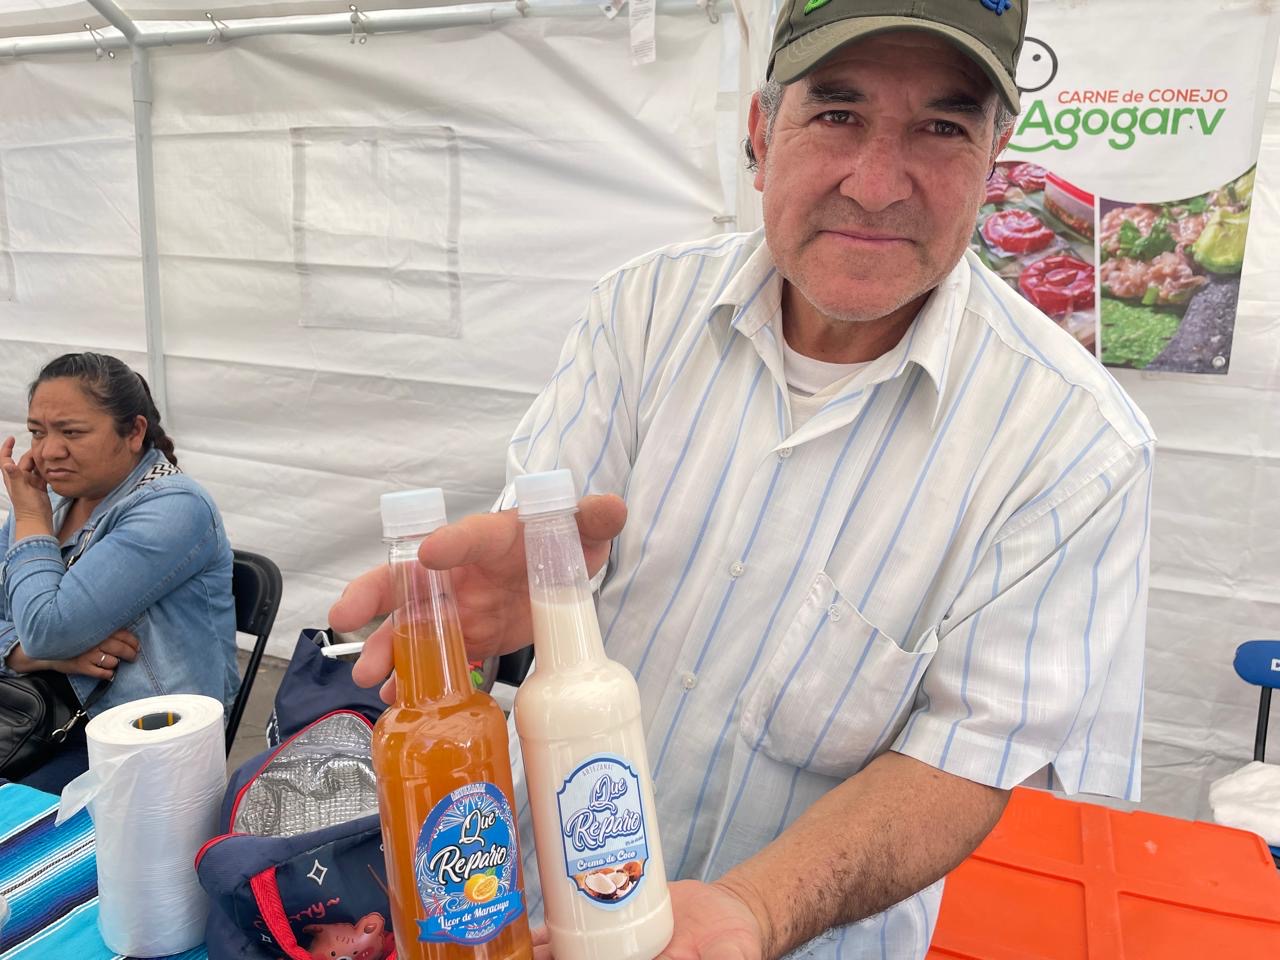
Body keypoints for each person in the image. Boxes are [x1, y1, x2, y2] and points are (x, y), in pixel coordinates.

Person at [332, 1, 1153, 956]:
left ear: (995, 154)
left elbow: (969, 755)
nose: (876, 185)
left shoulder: (1076, 446)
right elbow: (541, 548)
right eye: (837, 114)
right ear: (761, 132)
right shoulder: (642, 310)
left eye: (942, 126)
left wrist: (756, 909)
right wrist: (528, 599)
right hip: (537, 911)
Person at [0, 353, 236, 792]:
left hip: (138, 740)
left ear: (134, 432)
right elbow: (43, 637)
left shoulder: (174, 506)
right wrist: (37, 655)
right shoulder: (51, 498)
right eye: (37, 432)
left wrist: (30, 519)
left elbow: (47, 629)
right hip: (31, 713)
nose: (49, 451)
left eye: (72, 432)